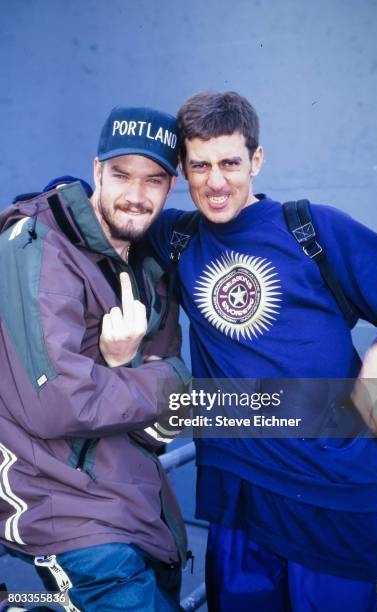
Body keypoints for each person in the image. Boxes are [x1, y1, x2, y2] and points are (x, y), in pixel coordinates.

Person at [147, 91, 377, 611]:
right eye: (200, 165)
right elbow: (92, 206)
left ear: (256, 160)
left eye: (230, 163)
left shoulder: (312, 229)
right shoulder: (176, 238)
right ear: (183, 168)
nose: (216, 182)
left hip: (331, 499)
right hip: (237, 500)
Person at [0, 106, 191, 612]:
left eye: (153, 180)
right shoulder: (39, 244)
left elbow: (169, 421)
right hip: (68, 518)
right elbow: (58, 402)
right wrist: (150, 375)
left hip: (141, 515)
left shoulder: (151, 267)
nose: (136, 194)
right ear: (97, 170)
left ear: (170, 188)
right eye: (122, 174)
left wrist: (118, 364)